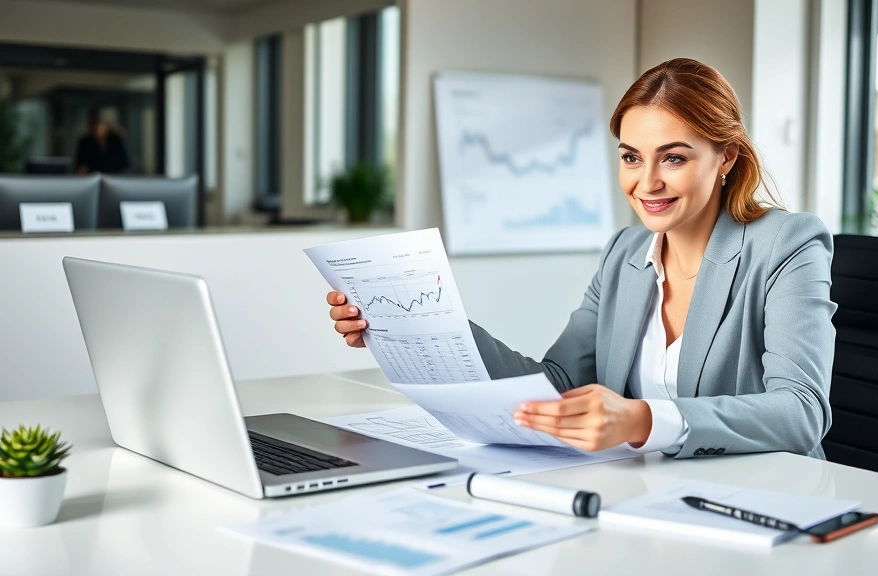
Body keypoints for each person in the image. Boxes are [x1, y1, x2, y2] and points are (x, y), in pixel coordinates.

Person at [326, 58, 837, 459]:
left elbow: (801, 412)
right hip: (648, 495)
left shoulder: (786, 244)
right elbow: (561, 384)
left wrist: (642, 419)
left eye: (674, 158)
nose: (647, 182)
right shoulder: (624, 254)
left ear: (726, 156)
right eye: (631, 157)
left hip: (764, 500)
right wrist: (426, 324)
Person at [74, 108, 129, 174]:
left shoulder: (115, 140)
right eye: (92, 123)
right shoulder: (85, 143)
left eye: (98, 123)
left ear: (105, 124)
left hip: (114, 178)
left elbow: (125, 164)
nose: (95, 127)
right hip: (92, 178)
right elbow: (79, 167)